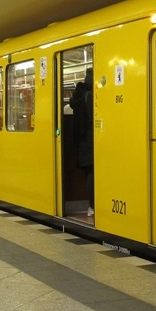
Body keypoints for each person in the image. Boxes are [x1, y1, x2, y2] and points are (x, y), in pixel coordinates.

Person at [69, 68, 94, 216]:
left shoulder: (78, 95)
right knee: (92, 173)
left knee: (89, 173)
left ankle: (91, 205)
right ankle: (93, 205)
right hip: (91, 139)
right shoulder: (90, 96)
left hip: (81, 140)